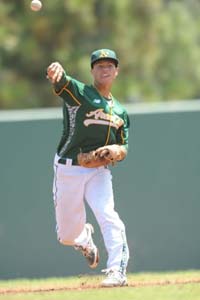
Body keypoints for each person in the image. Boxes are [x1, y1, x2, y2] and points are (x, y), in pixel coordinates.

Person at [46, 48, 130, 287]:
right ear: (92, 70)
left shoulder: (121, 112)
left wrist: (117, 151)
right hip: (68, 168)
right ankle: (84, 239)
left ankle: (117, 271)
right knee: (66, 236)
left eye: (109, 65)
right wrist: (56, 71)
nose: (105, 69)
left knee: (107, 214)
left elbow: (123, 146)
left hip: (98, 171)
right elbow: (62, 82)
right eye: (100, 65)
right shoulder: (80, 94)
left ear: (116, 71)